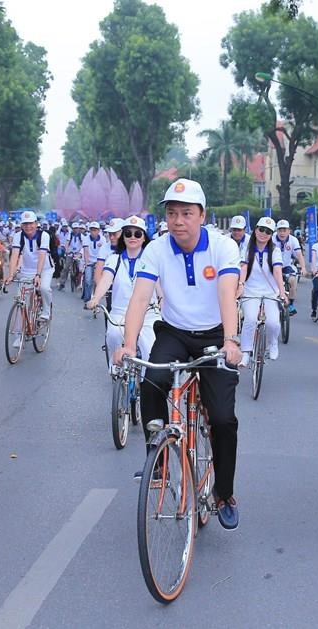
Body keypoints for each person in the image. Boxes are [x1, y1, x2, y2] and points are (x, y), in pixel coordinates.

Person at [114, 178, 243, 530]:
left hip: (216, 334)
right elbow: (140, 298)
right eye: (172, 213)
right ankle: (157, 455)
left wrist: (231, 340)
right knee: (152, 380)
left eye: (186, 213)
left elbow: (226, 294)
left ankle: (224, 493)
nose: (178, 221)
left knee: (222, 419)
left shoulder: (222, 248)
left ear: (201, 215)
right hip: (174, 333)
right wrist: (127, 345)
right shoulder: (156, 249)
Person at [86, 216, 160, 369]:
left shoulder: (152, 259)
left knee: (150, 351)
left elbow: (160, 290)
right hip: (119, 313)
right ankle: (116, 372)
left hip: (148, 314)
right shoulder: (114, 259)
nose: (132, 237)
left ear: (144, 237)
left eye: (137, 234)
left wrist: (164, 306)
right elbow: (105, 280)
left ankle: (145, 388)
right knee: (113, 335)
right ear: (123, 237)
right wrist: (95, 298)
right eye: (128, 233)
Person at [238, 217, 288, 366]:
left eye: (268, 232)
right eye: (261, 229)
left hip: (270, 292)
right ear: (255, 230)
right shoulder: (247, 249)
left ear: (271, 234)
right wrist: (240, 285)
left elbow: (278, 271)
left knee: (273, 322)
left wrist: (282, 291)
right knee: (250, 319)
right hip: (251, 291)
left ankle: (272, 344)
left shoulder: (275, 250)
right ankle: (246, 352)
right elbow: (243, 268)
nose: (263, 234)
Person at [6, 210, 53, 325]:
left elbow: (42, 255)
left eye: (31, 223)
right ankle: (19, 333)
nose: (28, 227)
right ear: (21, 225)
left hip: (45, 269)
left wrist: (38, 275)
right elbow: (14, 256)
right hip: (26, 270)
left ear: (36, 224)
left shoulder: (44, 235)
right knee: (19, 300)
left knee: (44, 288)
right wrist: (11, 275)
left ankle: (46, 311)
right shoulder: (18, 236)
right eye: (25, 224)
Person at [273, 219, 307, 315]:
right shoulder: (272, 239)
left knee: (293, 280)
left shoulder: (293, 240)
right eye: (280, 230)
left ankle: (291, 303)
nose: (282, 233)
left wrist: (303, 268)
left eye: (284, 230)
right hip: (274, 267)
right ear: (276, 231)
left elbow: (299, 255)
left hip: (286, 266)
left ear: (289, 231)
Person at [82, 221, 107, 301]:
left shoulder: (102, 239)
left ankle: (96, 297)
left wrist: (101, 263)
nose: (93, 232)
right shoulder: (86, 239)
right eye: (92, 230)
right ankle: (87, 299)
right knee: (88, 280)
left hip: (99, 262)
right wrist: (86, 263)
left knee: (98, 281)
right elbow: (86, 251)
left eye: (95, 230)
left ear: (99, 230)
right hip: (89, 262)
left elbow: (104, 252)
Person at [94, 218, 124, 285]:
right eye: (110, 234)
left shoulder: (130, 248)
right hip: (107, 283)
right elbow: (98, 271)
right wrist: (101, 290)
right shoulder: (104, 248)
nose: (111, 237)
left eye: (115, 234)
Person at [59, 222, 85, 290]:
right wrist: (67, 251)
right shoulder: (70, 235)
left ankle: (78, 283)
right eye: (74, 228)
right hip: (70, 253)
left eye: (77, 228)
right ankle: (62, 283)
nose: (76, 230)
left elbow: (83, 245)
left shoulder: (81, 236)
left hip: (78, 253)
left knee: (80, 269)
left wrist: (80, 253)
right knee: (66, 268)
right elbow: (67, 243)